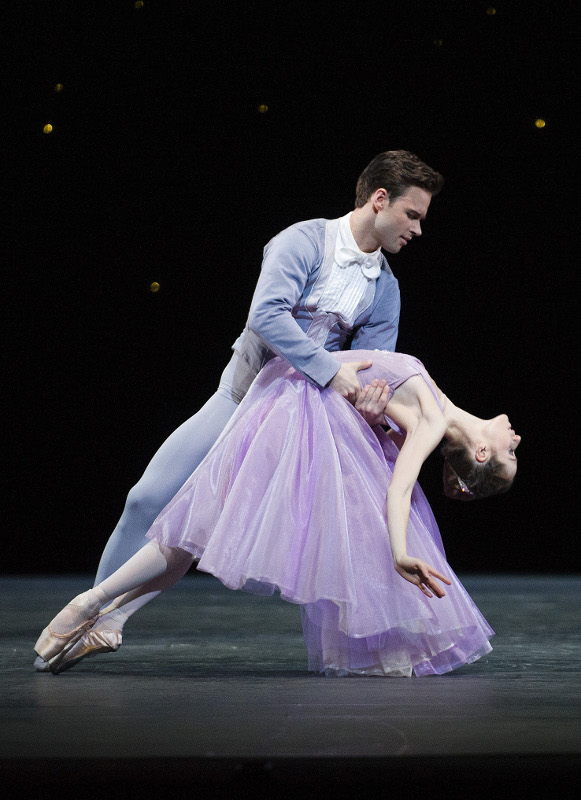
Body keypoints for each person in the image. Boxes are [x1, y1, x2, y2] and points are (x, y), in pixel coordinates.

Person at [34, 150, 444, 671]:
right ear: (379, 200)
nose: (417, 229)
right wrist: (331, 369)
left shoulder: (384, 289)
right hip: (239, 398)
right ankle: (96, 619)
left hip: (295, 424)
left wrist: (370, 398)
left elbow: (374, 365)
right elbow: (267, 314)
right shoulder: (305, 241)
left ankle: (109, 620)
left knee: (194, 528)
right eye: (413, 215)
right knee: (146, 500)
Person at [35, 349, 520, 677]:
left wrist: (398, 553)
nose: (516, 440)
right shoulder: (438, 405)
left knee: (202, 522)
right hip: (293, 403)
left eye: (511, 455)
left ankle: (99, 604)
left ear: (481, 454)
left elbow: (399, 489)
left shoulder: (433, 420)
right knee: (201, 522)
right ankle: (103, 608)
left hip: (295, 410)